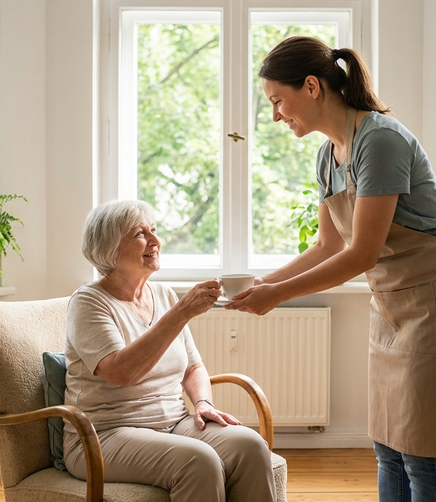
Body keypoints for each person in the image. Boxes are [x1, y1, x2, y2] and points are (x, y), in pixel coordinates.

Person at [226, 36, 436, 501]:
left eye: (277, 101)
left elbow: (361, 254)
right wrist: (260, 284)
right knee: (388, 447)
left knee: (423, 455)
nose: (274, 116)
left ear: (311, 86)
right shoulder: (328, 155)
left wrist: (277, 296)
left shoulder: (381, 140)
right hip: (391, 305)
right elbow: (328, 245)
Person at [63, 199, 276, 502]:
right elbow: (121, 372)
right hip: (104, 435)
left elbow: (193, 367)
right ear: (110, 248)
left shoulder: (163, 294)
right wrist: (181, 314)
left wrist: (202, 402)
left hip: (175, 423)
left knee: (250, 447)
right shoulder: (88, 302)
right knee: (199, 461)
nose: (155, 241)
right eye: (140, 234)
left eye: (154, 230)